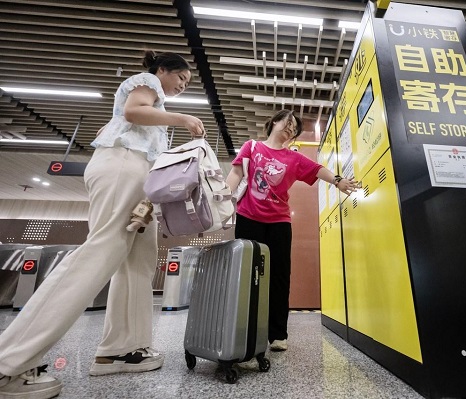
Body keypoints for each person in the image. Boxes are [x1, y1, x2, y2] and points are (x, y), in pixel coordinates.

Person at [0, 50, 206, 399]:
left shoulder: (151, 106)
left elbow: (112, 125)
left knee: (137, 263)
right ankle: (10, 361)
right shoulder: (149, 83)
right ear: (163, 70)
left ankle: (123, 349)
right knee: (103, 250)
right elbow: (132, 111)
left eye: (186, 85)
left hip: (135, 173)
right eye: (181, 79)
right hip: (124, 166)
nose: (182, 87)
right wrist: (183, 118)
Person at [225, 109, 359, 352]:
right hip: (248, 217)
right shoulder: (252, 146)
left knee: (279, 277)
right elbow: (235, 173)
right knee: (245, 275)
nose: (290, 128)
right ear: (274, 121)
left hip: (279, 222)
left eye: (294, 128)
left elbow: (318, 169)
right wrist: (221, 198)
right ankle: (243, 331)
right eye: (287, 122)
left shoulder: (293, 158)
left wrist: (338, 180)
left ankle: (277, 334)